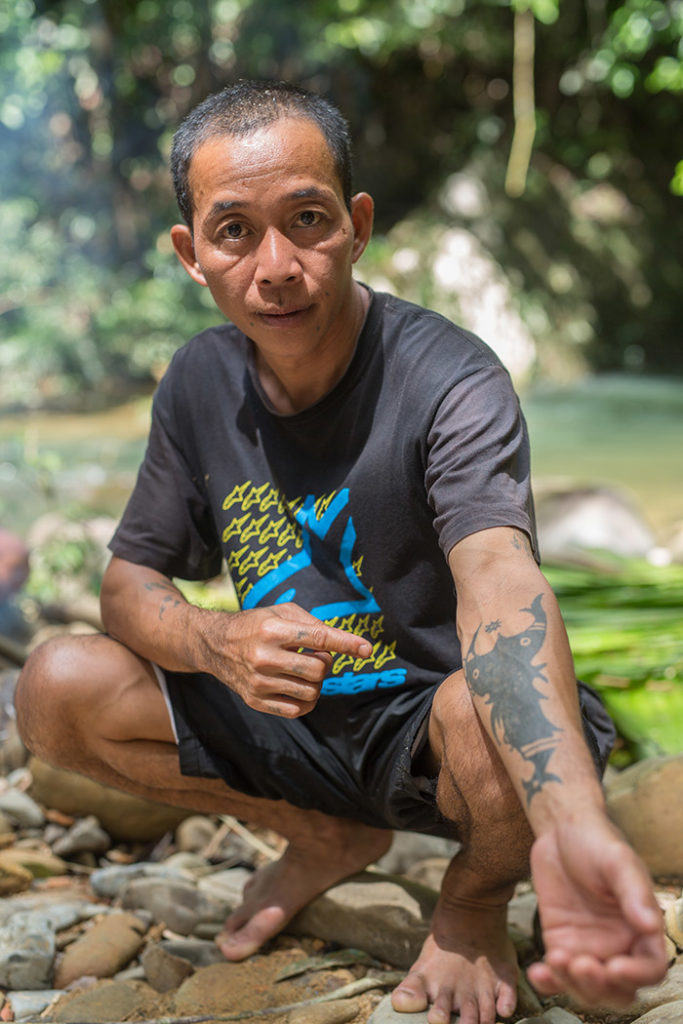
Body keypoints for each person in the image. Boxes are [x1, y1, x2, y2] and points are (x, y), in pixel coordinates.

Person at [15, 81, 667, 1024]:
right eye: (234, 232)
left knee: (481, 712)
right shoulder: (199, 380)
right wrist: (216, 641)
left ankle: (470, 900)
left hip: (439, 742)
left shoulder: (449, 377)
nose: (276, 266)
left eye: (307, 220)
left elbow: (499, 577)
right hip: (292, 726)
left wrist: (570, 824)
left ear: (357, 227)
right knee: (55, 685)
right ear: (191, 254)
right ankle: (320, 835)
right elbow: (127, 582)